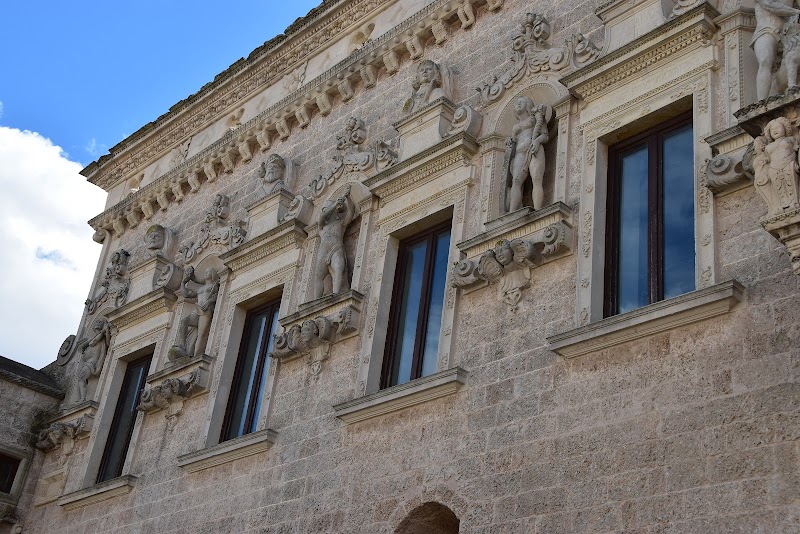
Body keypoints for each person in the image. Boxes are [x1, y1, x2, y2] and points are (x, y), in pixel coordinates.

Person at [312, 185, 356, 299]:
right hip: (324, 250)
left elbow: (351, 211)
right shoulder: (322, 226)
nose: (325, 211)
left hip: (336, 248)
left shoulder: (341, 223)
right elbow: (322, 217)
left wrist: (348, 198)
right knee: (318, 275)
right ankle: (316, 299)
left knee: (339, 269)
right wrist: (335, 205)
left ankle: (336, 294)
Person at [507, 96, 550, 212]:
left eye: (521, 102)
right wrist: (509, 141)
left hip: (534, 148)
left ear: (528, 105)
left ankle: (538, 209)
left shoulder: (536, 118)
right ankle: (512, 212)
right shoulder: (515, 127)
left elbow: (545, 135)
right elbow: (513, 143)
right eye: (516, 103)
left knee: (536, 178)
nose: (518, 104)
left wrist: (537, 141)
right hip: (519, 153)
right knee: (516, 181)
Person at [753, 0, 800, 100]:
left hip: (789, 33)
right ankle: (761, 103)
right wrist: (796, 12)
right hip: (766, 30)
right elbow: (769, 5)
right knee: (765, 60)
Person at [169, 267, 220, 360]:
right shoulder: (201, 288)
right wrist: (183, 283)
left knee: (202, 334)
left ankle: (196, 355)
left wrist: (209, 302)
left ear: (213, 274)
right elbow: (186, 295)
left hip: (206, 310)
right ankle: (182, 345)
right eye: (205, 271)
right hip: (198, 309)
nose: (206, 273)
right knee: (184, 322)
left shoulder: (214, 286)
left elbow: (216, 295)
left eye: (208, 271)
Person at [76, 319, 111, 402]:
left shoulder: (102, 339)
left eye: (99, 322)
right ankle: (82, 398)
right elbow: (91, 343)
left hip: (91, 363)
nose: (97, 323)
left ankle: (83, 398)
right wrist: (103, 331)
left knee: (81, 378)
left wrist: (106, 331)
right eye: (97, 322)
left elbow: (108, 343)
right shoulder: (93, 338)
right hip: (88, 363)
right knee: (81, 379)